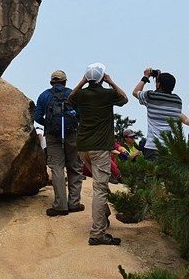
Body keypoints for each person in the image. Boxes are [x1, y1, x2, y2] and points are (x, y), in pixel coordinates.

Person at [69, 62, 128, 246]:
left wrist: (81, 81)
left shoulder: (82, 95)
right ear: (102, 77)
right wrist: (111, 82)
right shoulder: (108, 94)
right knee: (100, 189)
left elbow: (70, 98)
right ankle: (98, 233)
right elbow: (124, 99)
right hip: (100, 148)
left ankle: (103, 217)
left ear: (88, 78)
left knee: (99, 184)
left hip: (83, 147)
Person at [34, 70, 82, 217]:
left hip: (52, 135)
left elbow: (37, 117)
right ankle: (74, 203)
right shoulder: (73, 93)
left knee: (57, 168)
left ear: (51, 82)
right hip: (71, 134)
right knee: (74, 167)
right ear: (65, 82)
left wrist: (47, 124)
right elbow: (80, 113)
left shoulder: (44, 95)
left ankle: (60, 205)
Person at [132, 68, 182, 161]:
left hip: (153, 147)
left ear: (159, 84)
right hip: (170, 148)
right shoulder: (177, 100)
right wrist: (160, 79)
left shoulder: (151, 96)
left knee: (152, 175)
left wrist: (146, 76)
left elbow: (135, 92)